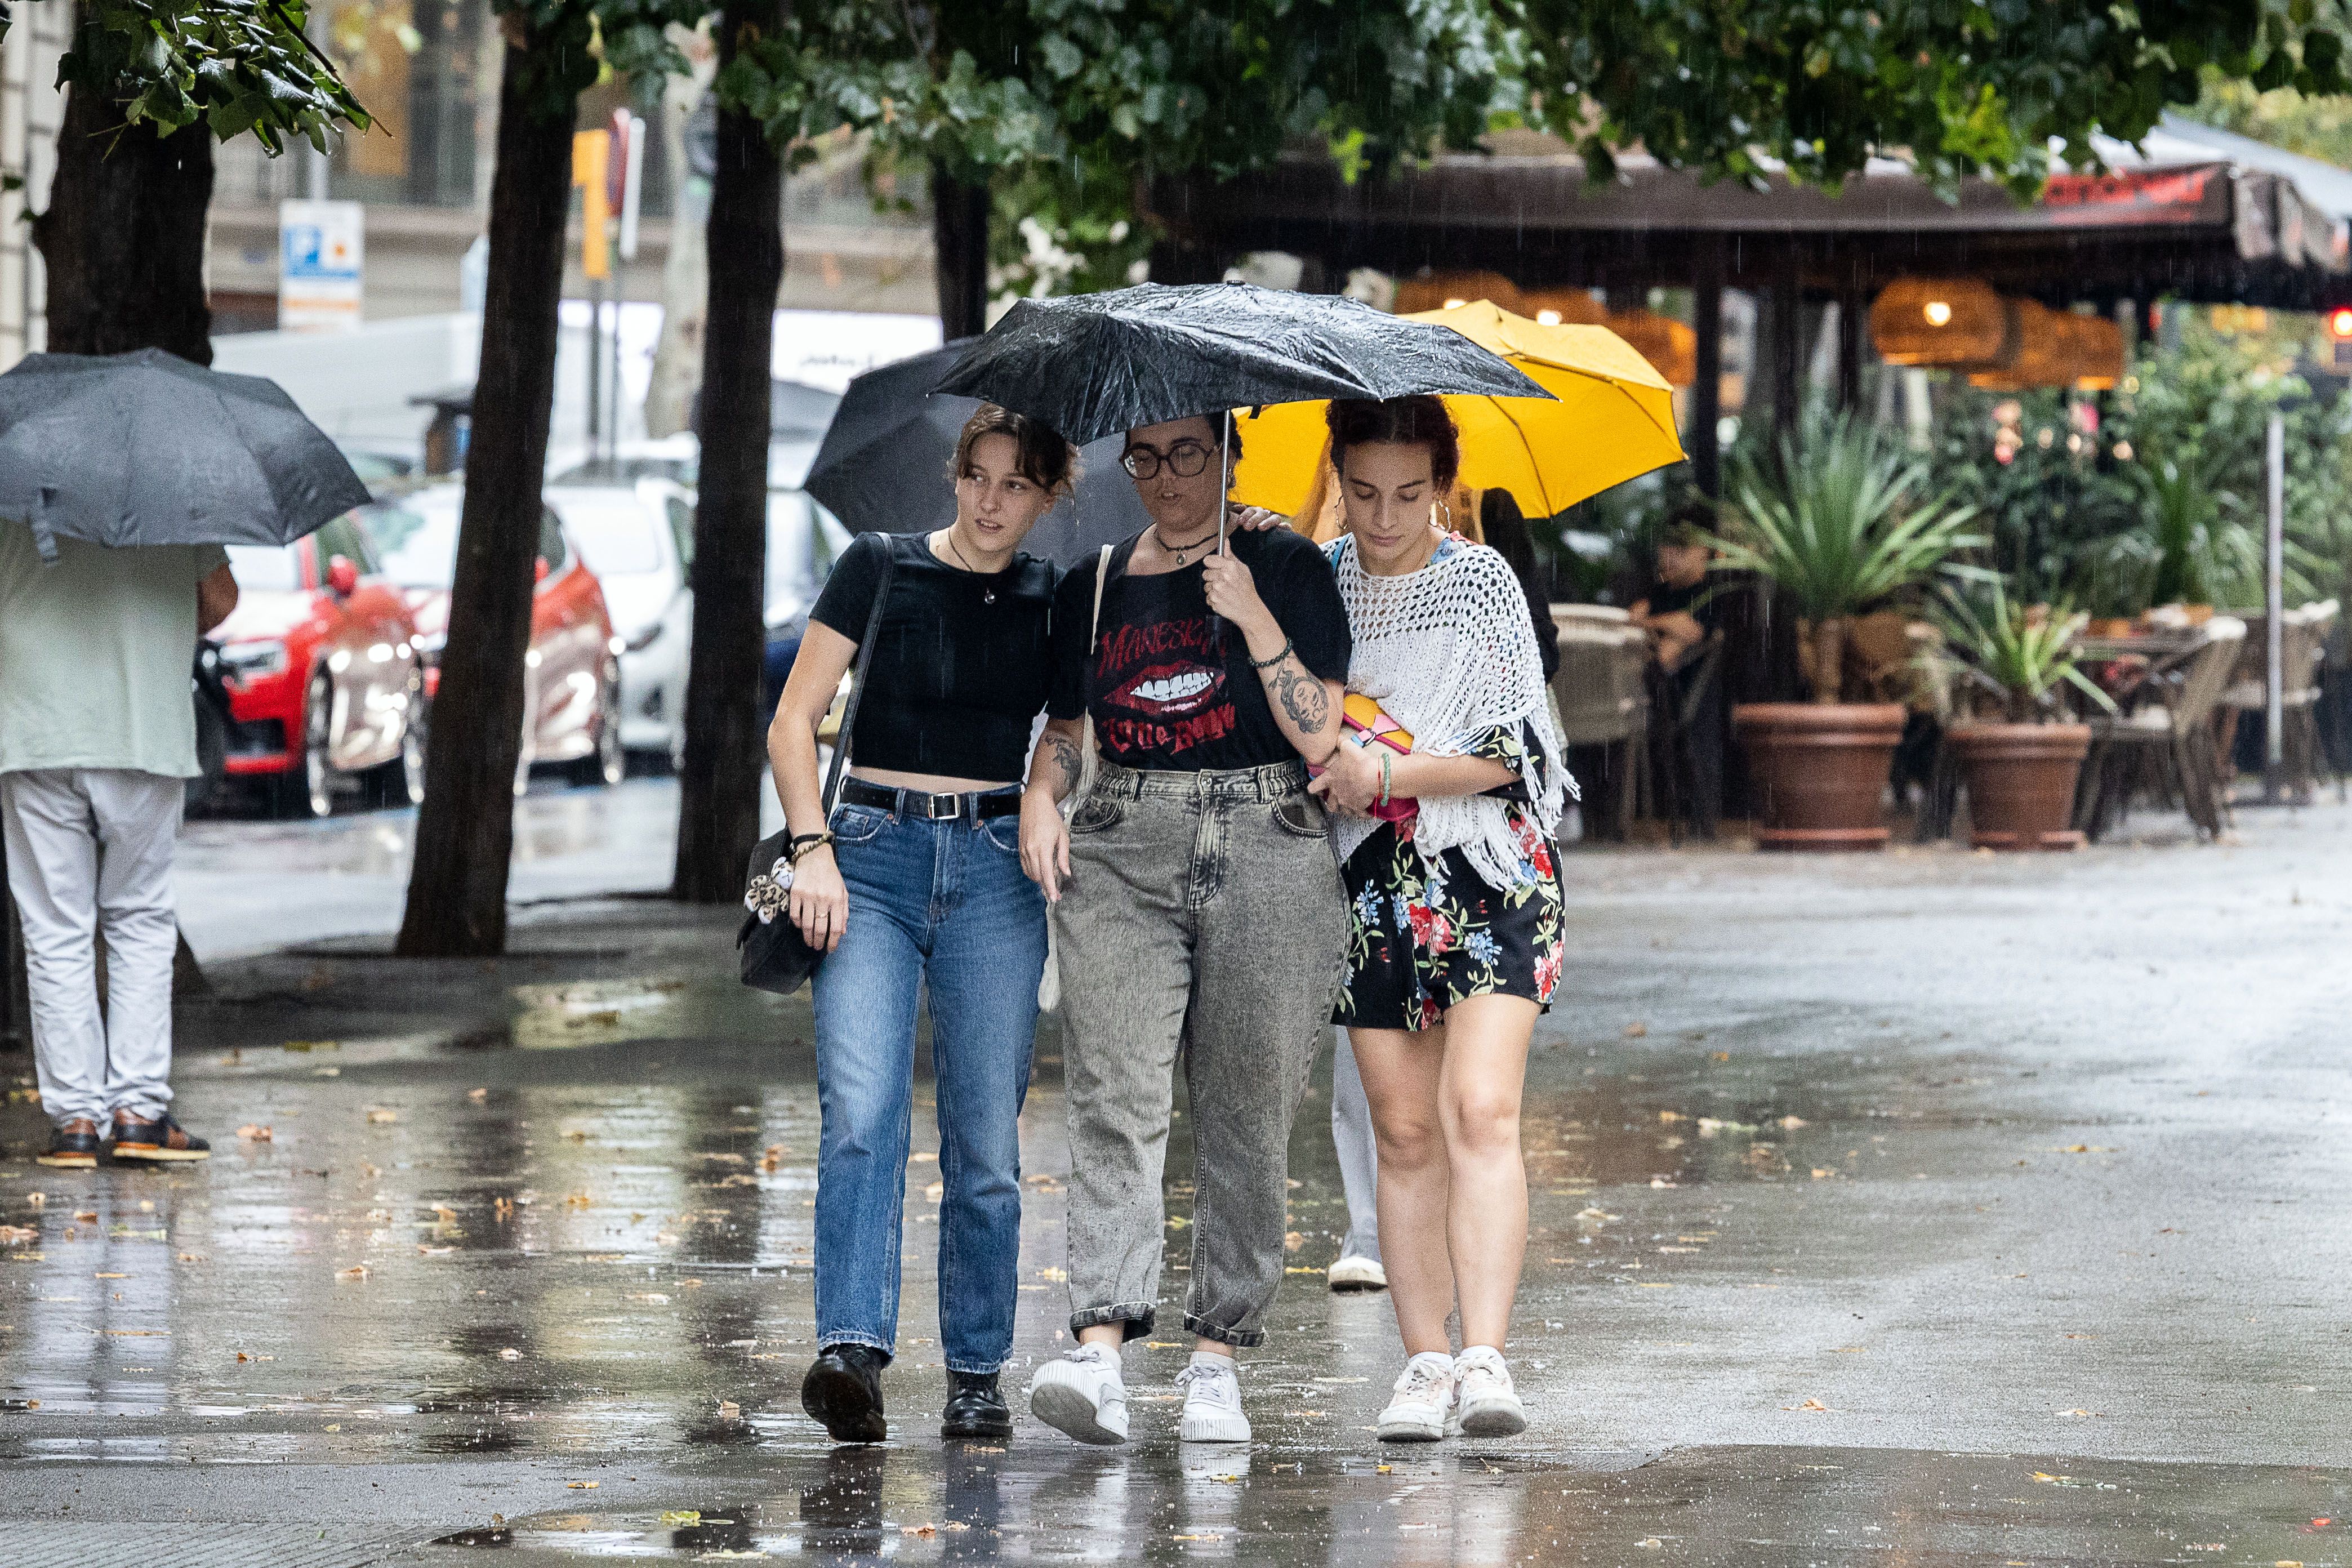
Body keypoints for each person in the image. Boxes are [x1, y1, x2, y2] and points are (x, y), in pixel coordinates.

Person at [1019, 412, 1353, 1447]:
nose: (1167, 477)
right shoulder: (1096, 584)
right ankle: (1102, 1348)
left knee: (1246, 1109)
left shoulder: (1287, 564)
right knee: (1115, 1093)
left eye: (1190, 455)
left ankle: (1217, 1358)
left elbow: (1320, 729)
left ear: (1228, 454)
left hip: (1271, 838)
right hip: (1127, 841)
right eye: (1148, 458)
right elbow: (1069, 735)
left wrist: (1254, 616)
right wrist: (1041, 792)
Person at [767, 405, 1073, 1445]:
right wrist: (813, 848)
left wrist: (1041, 787)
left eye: (1016, 484)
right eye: (977, 476)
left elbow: (1068, 731)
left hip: (995, 869)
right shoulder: (879, 566)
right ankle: (851, 1350)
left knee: (986, 1134)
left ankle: (977, 1368)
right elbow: (792, 720)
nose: (991, 501)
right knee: (863, 1113)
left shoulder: (1052, 596)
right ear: (955, 476)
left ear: (1045, 497)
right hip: (869, 857)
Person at [1306, 395, 1570, 1444]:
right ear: (1337, 475)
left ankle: (1485, 1355)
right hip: (1369, 884)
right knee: (1403, 1128)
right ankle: (1422, 1361)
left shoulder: (1480, 581)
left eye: (1409, 493)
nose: (1384, 515)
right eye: (1363, 491)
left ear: (1443, 484)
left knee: (1479, 1110)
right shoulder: (1315, 581)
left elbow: (1518, 749)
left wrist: (1390, 769)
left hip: (1488, 869)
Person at [0, 521, 239, 1169]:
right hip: (142, 723)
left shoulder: (13, 486)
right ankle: (138, 1112)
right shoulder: (169, 494)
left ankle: (76, 1120)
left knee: (54, 926)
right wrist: (148, 625)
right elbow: (219, 599)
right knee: (138, 917)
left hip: (36, 726)